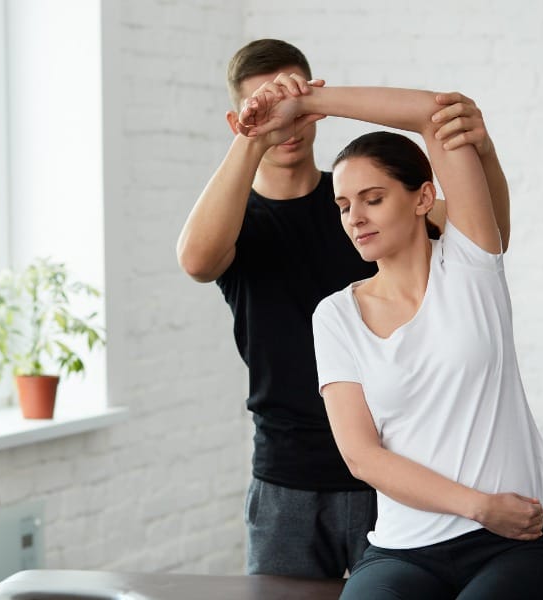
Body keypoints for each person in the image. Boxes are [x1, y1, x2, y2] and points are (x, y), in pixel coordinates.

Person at [176, 39, 512, 579]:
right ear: (236, 118)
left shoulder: (365, 203)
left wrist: (484, 154)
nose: (284, 124)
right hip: (286, 481)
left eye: (292, 101)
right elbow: (195, 261)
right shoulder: (237, 217)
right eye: (261, 106)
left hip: (396, 472)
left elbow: (485, 235)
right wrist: (255, 132)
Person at [238, 84, 543, 598]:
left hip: (510, 547)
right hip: (401, 552)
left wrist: (307, 105)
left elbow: (431, 113)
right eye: (344, 205)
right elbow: (362, 457)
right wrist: (479, 505)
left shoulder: (471, 267)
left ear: (422, 198)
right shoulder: (335, 316)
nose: (356, 218)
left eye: (373, 199)